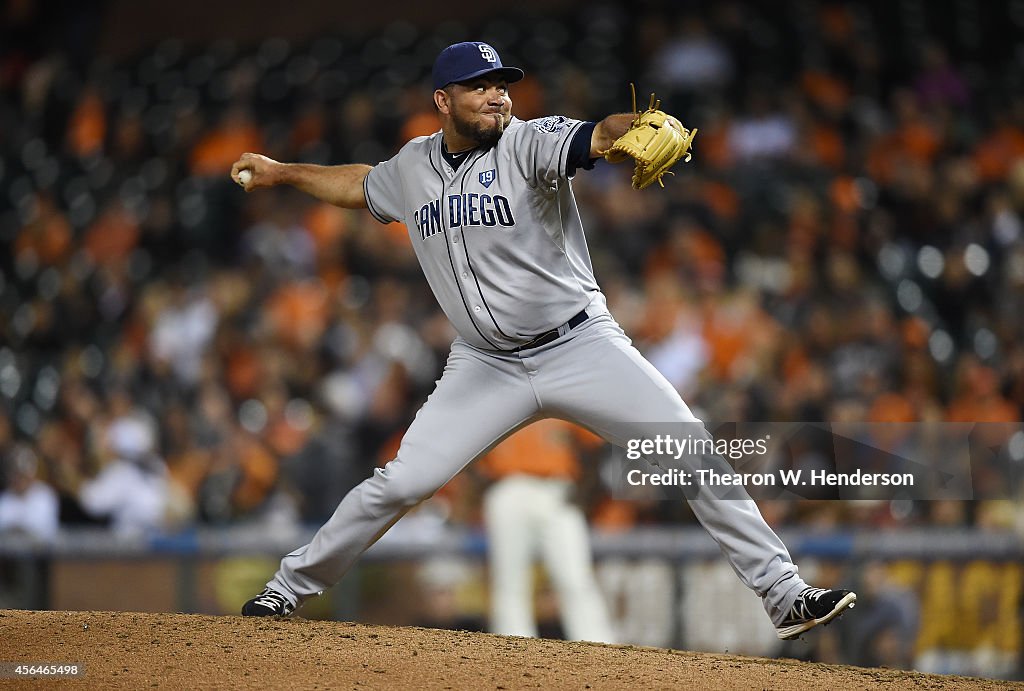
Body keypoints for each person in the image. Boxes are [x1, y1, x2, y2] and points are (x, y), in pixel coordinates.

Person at [231, 41, 856, 640]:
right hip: (484, 365)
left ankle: (784, 592)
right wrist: (281, 172)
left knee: (686, 443)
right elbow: (360, 184)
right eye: (479, 87)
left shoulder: (529, 142)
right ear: (442, 100)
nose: (497, 96)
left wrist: (628, 127)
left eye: (502, 84)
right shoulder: (412, 167)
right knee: (400, 483)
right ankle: (288, 587)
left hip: (578, 346)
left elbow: (599, 135)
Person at [479, 419, 615, 643]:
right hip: (508, 485)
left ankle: (599, 648)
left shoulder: (559, 390)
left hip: (557, 488)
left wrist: (583, 490)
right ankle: (513, 653)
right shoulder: (494, 391)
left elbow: (596, 447)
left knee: (575, 577)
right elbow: (471, 455)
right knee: (509, 580)